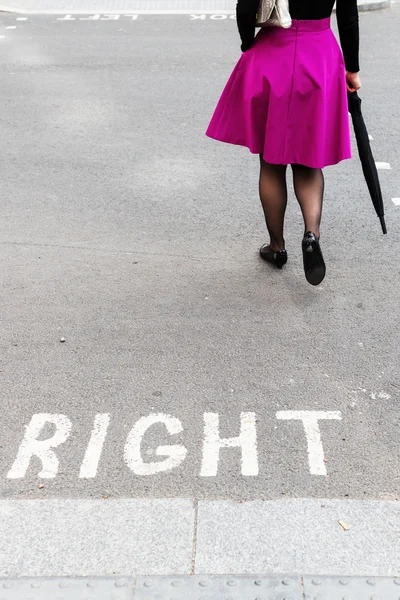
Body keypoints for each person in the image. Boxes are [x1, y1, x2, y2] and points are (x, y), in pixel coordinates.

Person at [206, 0, 361, 286]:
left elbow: (245, 7)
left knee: (271, 161)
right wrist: (352, 69)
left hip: (272, 53)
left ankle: (276, 248)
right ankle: (311, 234)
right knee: (308, 161)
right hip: (319, 53)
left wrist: (247, 44)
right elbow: (349, 17)